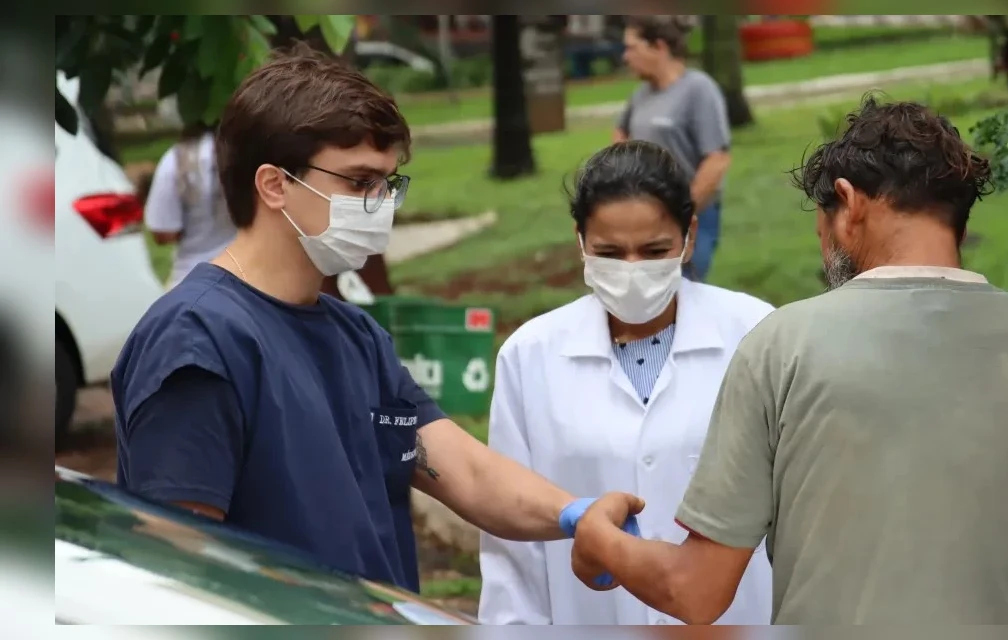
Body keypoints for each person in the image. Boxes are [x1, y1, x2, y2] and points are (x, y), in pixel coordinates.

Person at [569, 97, 1008, 625]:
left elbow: (695, 591)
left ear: (845, 204)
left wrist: (601, 539)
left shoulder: (782, 348)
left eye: (820, 224)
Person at [110, 44, 639, 594]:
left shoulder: (356, 335)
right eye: (360, 182)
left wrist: (575, 514)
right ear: (274, 185)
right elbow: (181, 566)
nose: (381, 202)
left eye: (388, 183)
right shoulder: (197, 341)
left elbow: (465, 471)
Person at [478, 141, 774, 625]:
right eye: (610, 253)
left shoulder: (756, 334)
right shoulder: (531, 355)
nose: (633, 270)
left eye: (654, 251)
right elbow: (513, 541)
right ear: (580, 242)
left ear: (689, 236)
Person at [614, 16, 731, 282]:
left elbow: (717, 159)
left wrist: (680, 212)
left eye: (631, 47)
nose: (625, 57)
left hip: (691, 218)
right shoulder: (641, 95)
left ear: (659, 47)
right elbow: (620, 134)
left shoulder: (698, 90)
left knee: (681, 290)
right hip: (642, 215)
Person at [143, 121, 239, 288]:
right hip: (248, 275)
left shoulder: (177, 160)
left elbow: (164, 232)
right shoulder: (253, 153)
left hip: (193, 277)